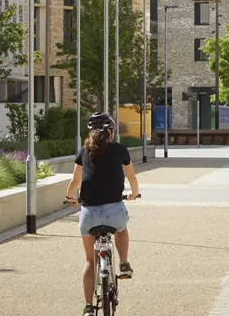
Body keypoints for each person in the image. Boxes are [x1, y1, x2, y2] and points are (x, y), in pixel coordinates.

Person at [66, 112, 140, 316]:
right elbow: (131, 177)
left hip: (88, 214)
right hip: (114, 211)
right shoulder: (120, 150)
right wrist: (134, 194)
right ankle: (124, 263)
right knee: (122, 230)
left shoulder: (84, 152)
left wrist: (70, 197)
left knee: (90, 261)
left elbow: (75, 182)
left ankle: (89, 306)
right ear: (112, 131)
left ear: (90, 132)